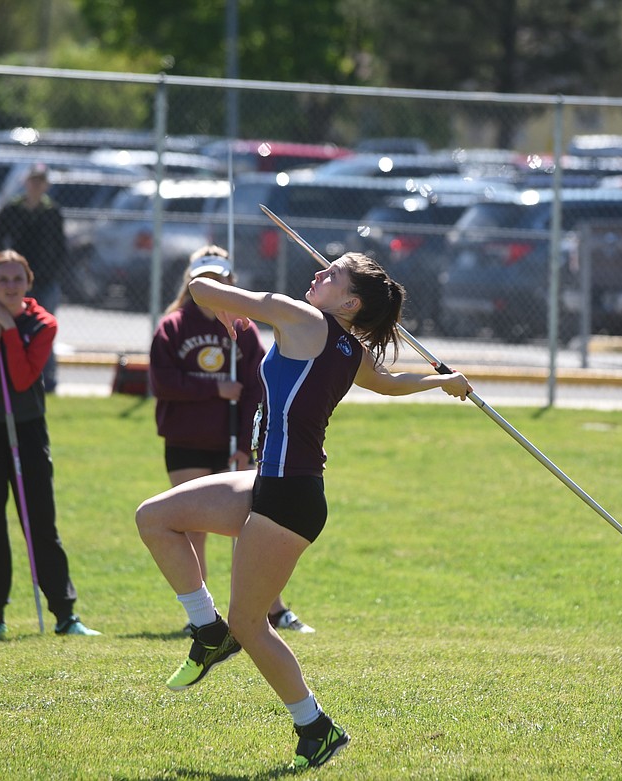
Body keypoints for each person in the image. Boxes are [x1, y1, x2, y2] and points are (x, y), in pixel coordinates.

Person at [134, 252, 471, 770]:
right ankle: (205, 628)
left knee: (250, 624)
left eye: (332, 273)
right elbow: (386, 382)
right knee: (155, 517)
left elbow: (200, 287)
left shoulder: (302, 317)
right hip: (268, 482)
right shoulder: (348, 347)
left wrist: (219, 297)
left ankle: (315, 727)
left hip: (290, 496)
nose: (319, 274)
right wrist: (439, 382)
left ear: (350, 302)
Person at [150, 245, 314, 635]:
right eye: (204, 279)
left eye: (220, 279)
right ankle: (201, 617)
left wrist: (246, 443)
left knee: (253, 527)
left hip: (234, 444)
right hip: (187, 440)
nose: (213, 285)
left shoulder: (243, 330)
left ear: (231, 283)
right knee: (192, 527)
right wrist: (214, 390)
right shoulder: (172, 327)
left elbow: (258, 389)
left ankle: (271, 610)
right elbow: (162, 383)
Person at [0, 250, 99, 639]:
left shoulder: (43, 324)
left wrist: (8, 331)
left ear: (29, 282)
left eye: (17, 279)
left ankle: (65, 614)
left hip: (27, 430)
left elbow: (21, 380)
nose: (10, 286)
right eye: (2, 280)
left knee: (40, 520)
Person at [0, 163, 67, 393]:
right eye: (33, 180)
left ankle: (47, 379)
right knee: (11, 327)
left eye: (40, 181)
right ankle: (10, 376)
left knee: (44, 329)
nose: (36, 185)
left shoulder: (52, 212)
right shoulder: (12, 210)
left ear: (46, 185)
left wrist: (53, 273)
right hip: (16, 282)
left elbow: (61, 248)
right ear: (26, 182)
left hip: (45, 281)